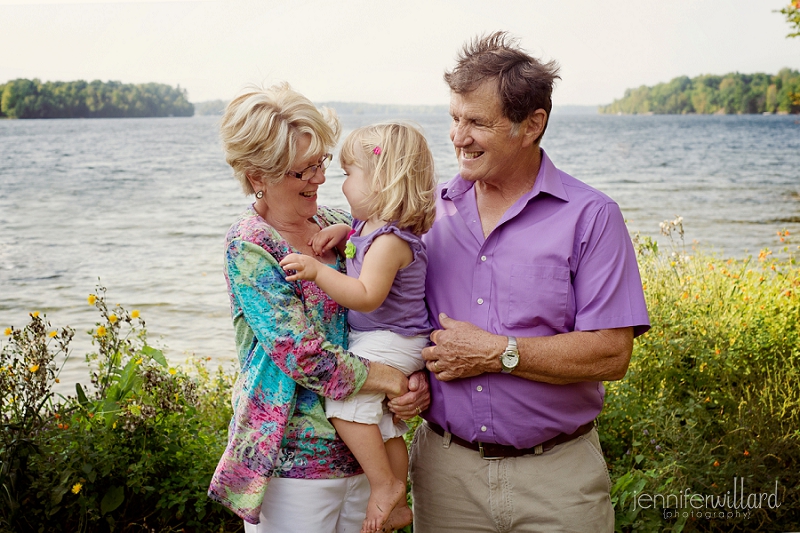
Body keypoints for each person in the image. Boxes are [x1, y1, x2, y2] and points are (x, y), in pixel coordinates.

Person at [409, 32, 651, 532]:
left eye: (477, 122)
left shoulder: (593, 217)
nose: (458, 137)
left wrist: (499, 352)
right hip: (445, 475)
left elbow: (612, 353)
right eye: (455, 118)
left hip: (559, 481)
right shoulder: (421, 211)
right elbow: (382, 303)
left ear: (532, 124)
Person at [207, 83, 429, 532]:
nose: (320, 179)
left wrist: (414, 378)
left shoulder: (337, 224)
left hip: (369, 460)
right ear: (257, 177)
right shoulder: (251, 246)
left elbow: (392, 312)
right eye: (301, 171)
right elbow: (301, 353)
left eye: (321, 163)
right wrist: (390, 379)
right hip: (298, 467)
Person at [279, 122, 436, 533]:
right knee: (385, 425)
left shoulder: (389, 242)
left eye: (350, 174)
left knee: (344, 405)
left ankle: (384, 486)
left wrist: (316, 271)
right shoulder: (370, 228)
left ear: (381, 181)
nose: (339, 182)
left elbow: (366, 294)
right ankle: (398, 498)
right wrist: (344, 231)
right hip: (391, 336)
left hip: (391, 337)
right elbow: (358, 242)